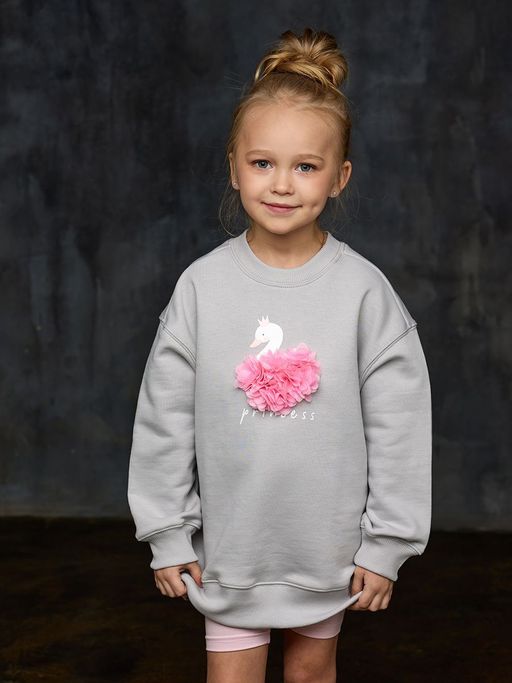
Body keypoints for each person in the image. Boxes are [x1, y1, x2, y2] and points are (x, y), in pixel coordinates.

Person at [127, 26, 432, 683]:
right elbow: (163, 419)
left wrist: (386, 545)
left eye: (306, 166)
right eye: (263, 163)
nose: (282, 185)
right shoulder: (202, 288)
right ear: (234, 166)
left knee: (311, 672)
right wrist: (167, 533)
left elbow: (400, 427)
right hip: (231, 555)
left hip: (327, 554)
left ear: (340, 177)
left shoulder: (363, 293)